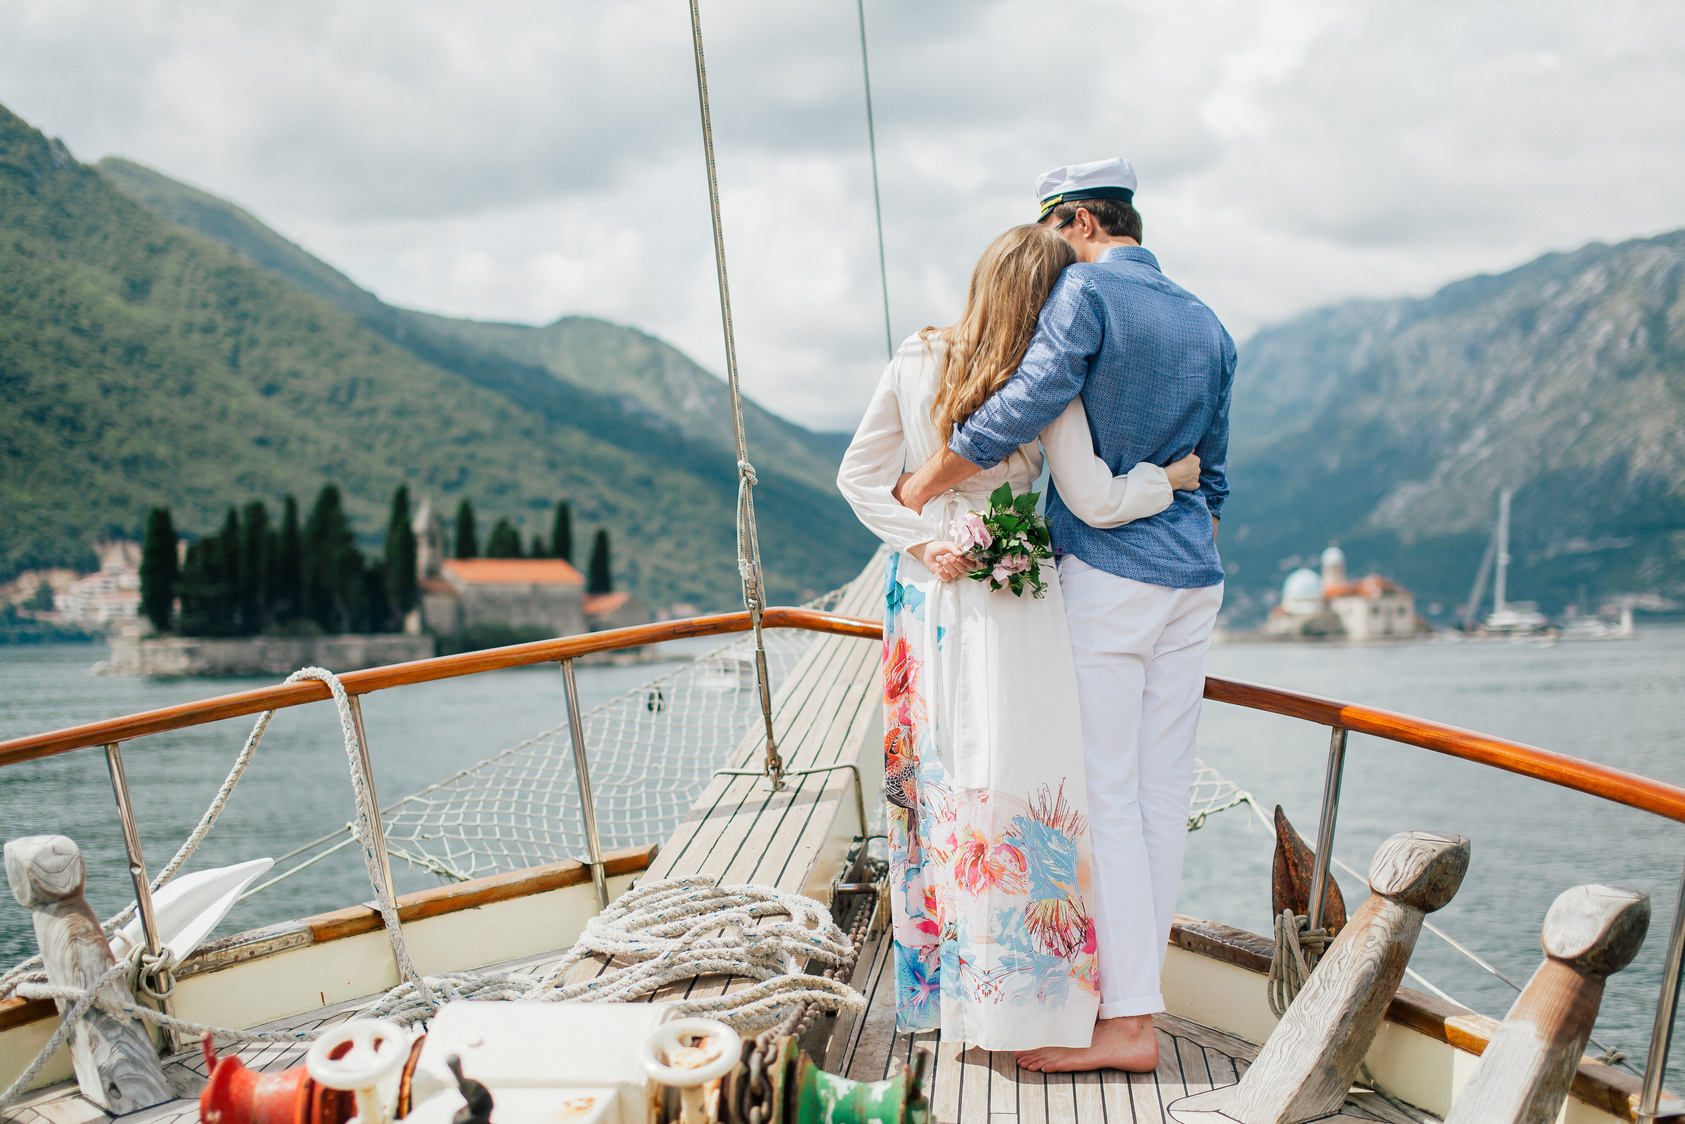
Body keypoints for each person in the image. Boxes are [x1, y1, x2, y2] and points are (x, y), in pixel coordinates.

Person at [896, 158, 1235, 1073]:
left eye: (1052, 225)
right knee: (1160, 798)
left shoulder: (1084, 291)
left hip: (1110, 578)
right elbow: (1216, 472)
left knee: (1104, 801)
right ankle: (1134, 1008)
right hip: (1192, 579)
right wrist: (1175, 506)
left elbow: (1034, 395)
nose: (1047, 244)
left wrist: (927, 479)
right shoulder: (1206, 319)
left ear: (1081, 219)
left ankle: (1123, 1023)